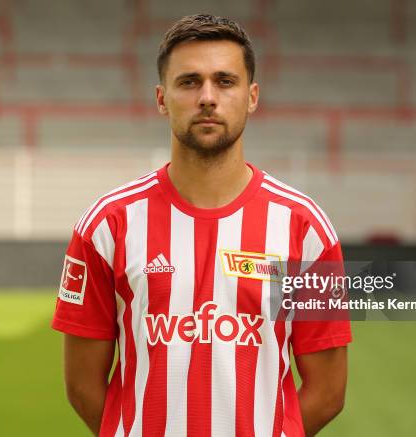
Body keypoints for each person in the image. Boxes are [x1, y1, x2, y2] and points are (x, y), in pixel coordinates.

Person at [52, 14, 351, 437]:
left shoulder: (306, 230)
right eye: (189, 82)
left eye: (225, 81)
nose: (207, 97)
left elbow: (328, 390)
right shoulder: (107, 224)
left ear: (252, 96)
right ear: (161, 97)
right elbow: (82, 385)